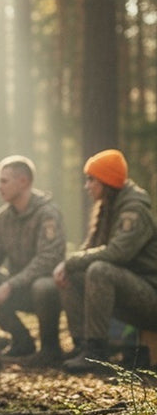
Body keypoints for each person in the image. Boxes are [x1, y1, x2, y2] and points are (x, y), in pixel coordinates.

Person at [53, 149, 157, 372]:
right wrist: (69, 266)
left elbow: (118, 253)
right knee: (73, 274)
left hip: (150, 295)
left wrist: (71, 261)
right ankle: (84, 347)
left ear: (107, 181)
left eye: (92, 180)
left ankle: (97, 352)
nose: (87, 186)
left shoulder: (134, 210)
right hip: (130, 291)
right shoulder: (107, 207)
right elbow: (90, 249)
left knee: (100, 270)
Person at [0, 156, 66, 361]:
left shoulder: (47, 213)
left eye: (4, 181)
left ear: (23, 181)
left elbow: (48, 259)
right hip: (18, 287)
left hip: (50, 291)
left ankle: (50, 349)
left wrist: (10, 285)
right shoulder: (3, 216)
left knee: (43, 286)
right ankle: (22, 341)